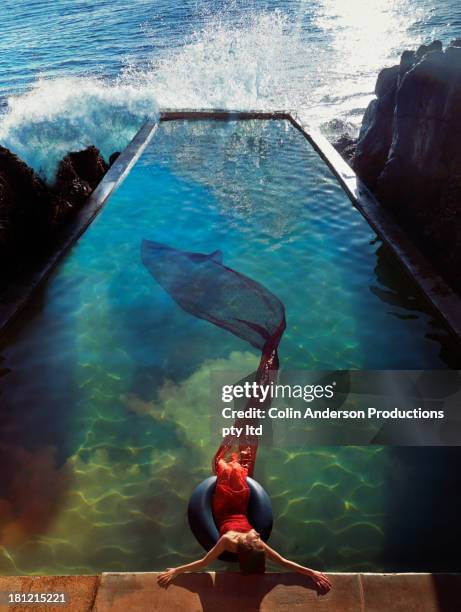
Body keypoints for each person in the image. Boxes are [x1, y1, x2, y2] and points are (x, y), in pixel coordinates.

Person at [157, 452, 332, 594]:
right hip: (240, 509)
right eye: (256, 537)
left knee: (225, 468)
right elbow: (283, 561)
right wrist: (312, 573)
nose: (257, 533)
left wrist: (176, 571)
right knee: (238, 473)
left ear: (246, 543)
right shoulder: (256, 544)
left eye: (254, 537)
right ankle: (238, 461)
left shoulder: (228, 540)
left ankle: (224, 462)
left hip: (223, 508)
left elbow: (203, 562)